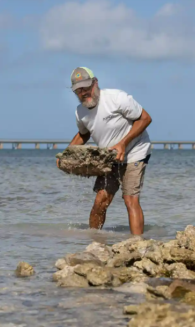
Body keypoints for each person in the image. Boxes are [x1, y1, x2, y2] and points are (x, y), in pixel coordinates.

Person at [57, 67, 153, 236]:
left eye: (86, 87)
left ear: (95, 83)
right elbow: (83, 134)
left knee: (130, 199)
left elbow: (145, 118)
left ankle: (138, 245)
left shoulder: (117, 98)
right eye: (79, 90)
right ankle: (95, 244)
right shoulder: (80, 112)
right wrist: (66, 156)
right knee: (100, 201)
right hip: (108, 158)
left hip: (135, 151)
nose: (83, 93)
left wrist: (123, 143)